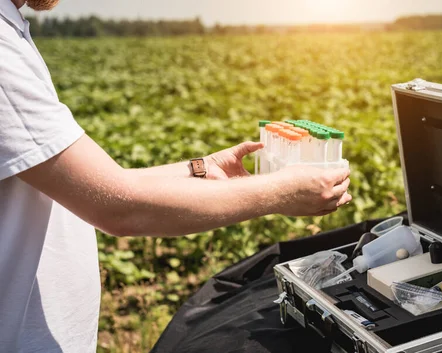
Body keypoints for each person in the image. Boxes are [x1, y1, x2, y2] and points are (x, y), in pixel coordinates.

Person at [0, 0, 352, 352]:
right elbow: (121, 207)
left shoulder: (12, 30)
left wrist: (200, 168)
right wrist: (282, 192)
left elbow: (100, 183)